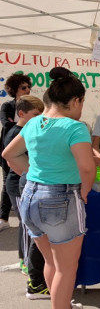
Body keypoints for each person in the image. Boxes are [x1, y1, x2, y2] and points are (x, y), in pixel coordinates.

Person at [2, 67, 95, 309]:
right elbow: (87, 167)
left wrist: (29, 172)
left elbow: (8, 154)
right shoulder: (75, 128)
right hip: (62, 198)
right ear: (76, 100)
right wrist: (84, 191)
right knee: (65, 267)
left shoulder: (33, 124)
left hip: (30, 196)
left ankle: (59, 303)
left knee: (51, 262)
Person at [2, 95, 48, 299]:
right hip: (18, 185)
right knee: (27, 228)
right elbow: (10, 160)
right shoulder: (16, 132)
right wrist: (31, 173)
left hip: (23, 183)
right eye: (35, 115)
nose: (40, 118)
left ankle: (29, 265)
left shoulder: (26, 130)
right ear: (22, 114)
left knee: (28, 227)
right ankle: (30, 269)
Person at [0, 73, 32, 232]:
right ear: (14, 90)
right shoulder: (7, 106)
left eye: (28, 87)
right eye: (23, 87)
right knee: (8, 180)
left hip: (25, 151)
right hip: (9, 148)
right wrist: (20, 126)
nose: (27, 90)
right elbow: (6, 124)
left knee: (24, 179)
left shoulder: (31, 107)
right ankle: (3, 217)